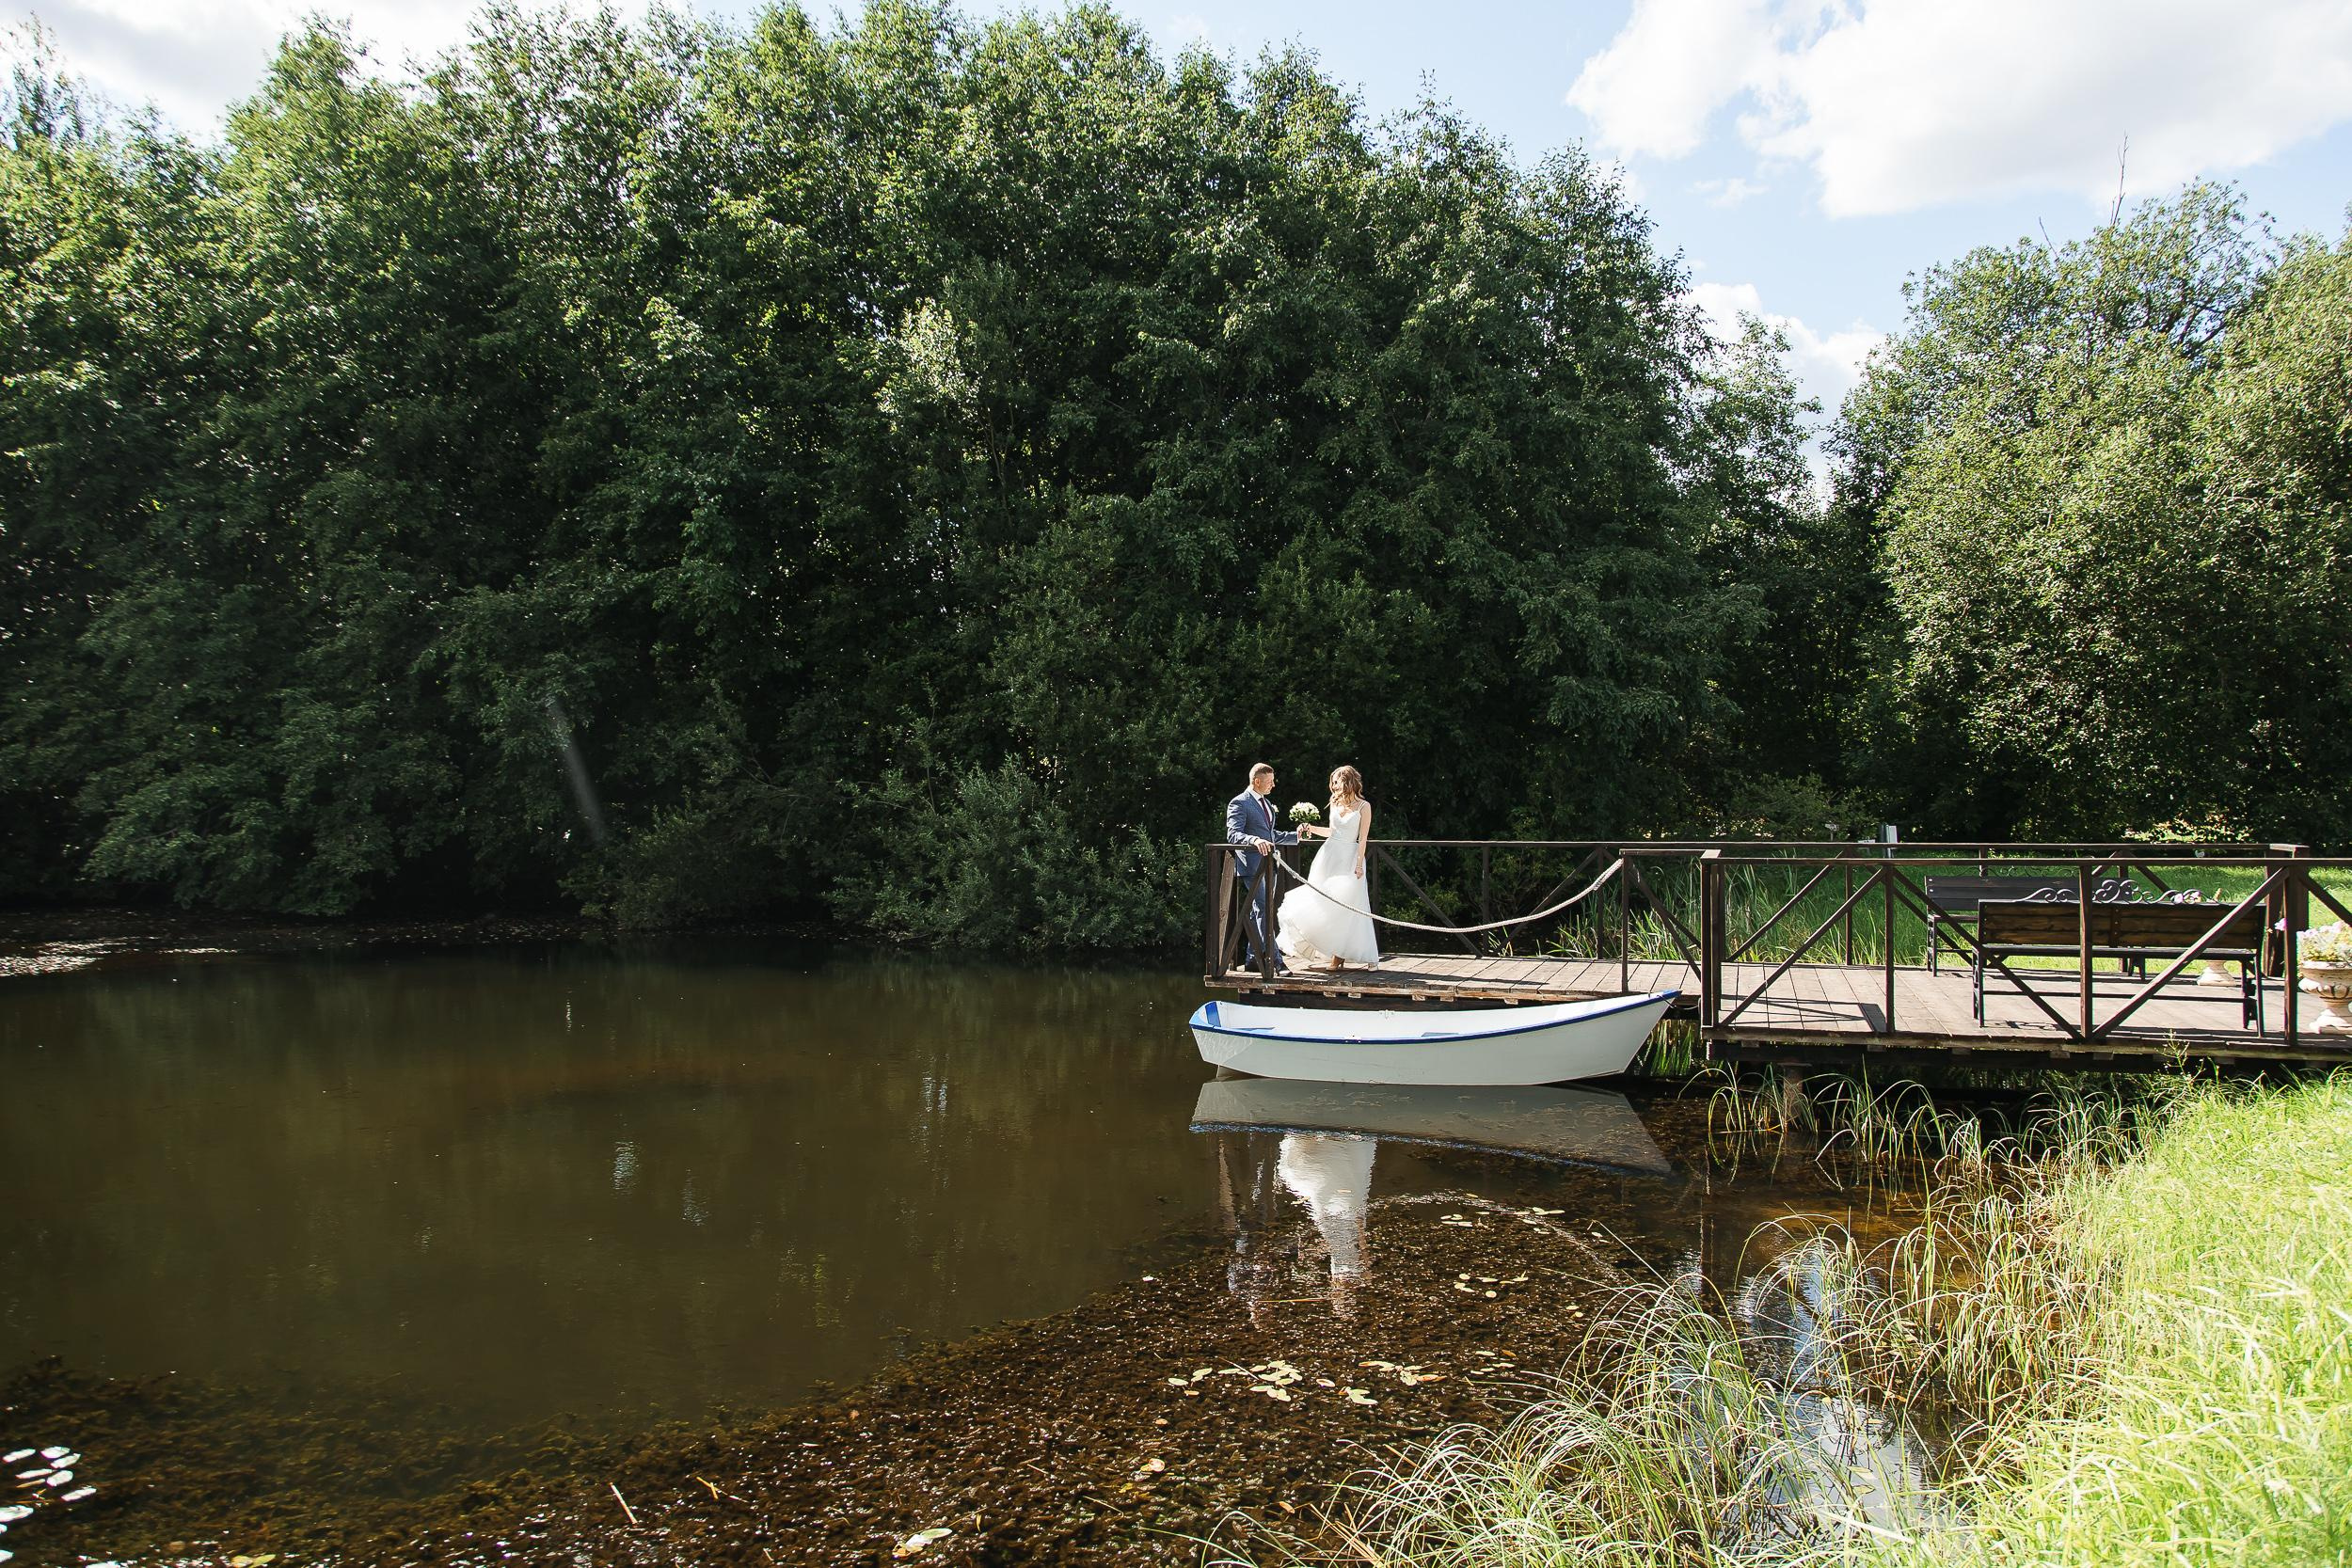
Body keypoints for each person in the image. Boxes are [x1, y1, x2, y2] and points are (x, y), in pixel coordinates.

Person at [1277, 765, 1380, 970]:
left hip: (1350, 858)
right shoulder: (1334, 802)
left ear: (1347, 782)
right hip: (1328, 855)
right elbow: (1332, 832)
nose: (1333, 786)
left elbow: (1363, 839)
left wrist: (1359, 864)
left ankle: (1346, 956)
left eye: (1336, 781)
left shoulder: (1363, 807)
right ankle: (1334, 952)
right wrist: (1310, 828)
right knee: (1325, 902)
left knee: (1350, 905)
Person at [1225, 763, 1300, 973]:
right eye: (1270, 781)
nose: (1273, 785)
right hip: (1252, 866)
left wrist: (1296, 837)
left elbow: (1270, 835)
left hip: (1269, 865)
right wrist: (1254, 840)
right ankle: (1276, 961)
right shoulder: (1239, 803)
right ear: (1256, 781)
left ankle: (1251, 959)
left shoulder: (1265, 804)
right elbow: (1233, 835)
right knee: (1264, 909)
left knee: (1260, 910)